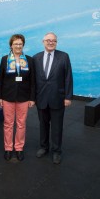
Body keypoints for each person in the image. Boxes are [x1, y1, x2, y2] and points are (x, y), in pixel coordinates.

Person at [33, 32, 73, 164]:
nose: (51, 42)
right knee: (43, 125)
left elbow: (68, 78)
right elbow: (33, 80)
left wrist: (68, 97)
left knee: (57, 126)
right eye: (48, 40)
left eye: (53, 41)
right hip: (41, 99)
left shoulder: (64, 56)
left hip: (58, 98)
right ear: (43, 42)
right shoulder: (36, 58)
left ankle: (56, 151)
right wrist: (32, 98)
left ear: (56, 42)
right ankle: (44, 147)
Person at [0, 34, 35, 161]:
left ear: (23, 45)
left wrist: (32, 98)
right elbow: (0, 80)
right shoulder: (4, 59)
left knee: (21, 124)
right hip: (7, 97)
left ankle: (19, 148)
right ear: (11, 45)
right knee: (8, 124)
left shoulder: (29, 60)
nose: (18, 46)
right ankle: (8, 148)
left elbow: (33, 81)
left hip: (24, 97)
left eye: (20, 44)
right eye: (15, 44)